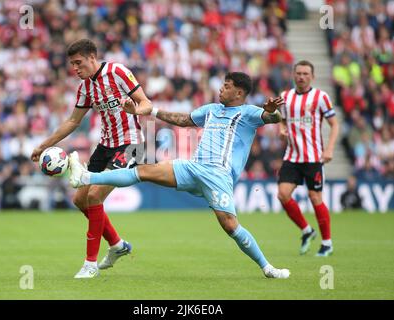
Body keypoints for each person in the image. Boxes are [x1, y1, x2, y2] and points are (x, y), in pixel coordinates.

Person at [68, 72, 290, 279]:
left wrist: (271, 111)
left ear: (239, 93)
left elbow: (271, 117)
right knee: (144, 171)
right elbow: (183, 120)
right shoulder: (211, 109)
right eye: (223, 84)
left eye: (227, 86)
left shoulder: (249, 113)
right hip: (193, 168)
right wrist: (149, 111)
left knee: (230, 226)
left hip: (218, 176)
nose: (221, 89)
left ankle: (268, 268)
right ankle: (86, 177)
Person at [30, 39, 152, 278]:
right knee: (80, 199)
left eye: (78, 63)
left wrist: (134, 110)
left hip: (131, 143)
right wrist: (43, 146)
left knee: (95, 195)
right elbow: (73, 121)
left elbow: (146, 103)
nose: (75, 69)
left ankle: (90, 264)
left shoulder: (117, 72)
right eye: (72, 65)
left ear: (92, 58)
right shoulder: (86, 87)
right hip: (105, 145)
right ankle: (117, 245)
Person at [277, 60, 339, 257]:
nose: (301, 77)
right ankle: (306, 230)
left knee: (315, 198)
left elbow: (335, 124)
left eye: (305, 73)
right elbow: (283, 119)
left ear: (312, 76)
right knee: (283, 194)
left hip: (313, 157)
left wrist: (329, 149)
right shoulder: (285, 97)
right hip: (292, 156)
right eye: (298, 73)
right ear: (293, 75)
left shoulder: (321, 97)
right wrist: (281, 129)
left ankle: (327, 243)